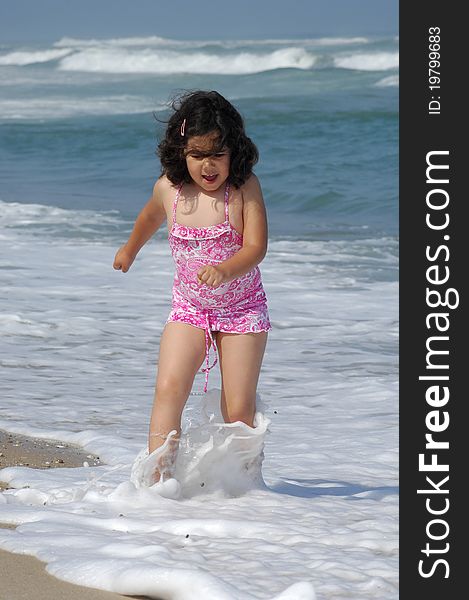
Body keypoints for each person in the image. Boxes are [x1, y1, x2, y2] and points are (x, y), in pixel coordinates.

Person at [113, 90, 271, 484]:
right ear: (180, 151)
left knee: (238, 407)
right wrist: (129, 249)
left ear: (234, 151)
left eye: (217, 154)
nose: (208, 165)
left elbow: (256, 246)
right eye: (198, 155)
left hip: (242, 310)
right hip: (189, 307)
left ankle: (242, 487)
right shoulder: (170, 188)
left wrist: (226, 268)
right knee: (169, 386)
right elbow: (150, 217)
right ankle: (157, 483)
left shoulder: (243, 189)